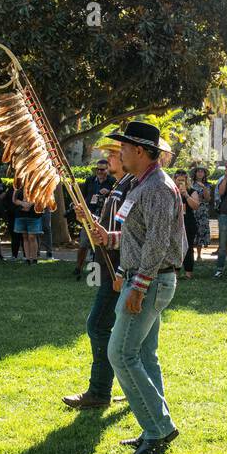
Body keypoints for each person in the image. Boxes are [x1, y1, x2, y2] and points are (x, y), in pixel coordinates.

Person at [96, 122, 185, 454]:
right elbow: (141, 237)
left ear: (141, 151)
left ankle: (159, 428)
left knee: (120, 353)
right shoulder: (141, 184)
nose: (118, 153)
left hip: (150, 281)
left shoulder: (157, 188)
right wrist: (111, 239)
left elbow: (159, 242)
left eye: (124, 147)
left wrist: (138, 284)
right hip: (145, 277)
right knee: (144, 355)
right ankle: (153, 427)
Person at [64, 138, 132, 410]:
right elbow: (105, 230)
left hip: (117, 269)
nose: (109, 159)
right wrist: (88, 219)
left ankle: (100, 392)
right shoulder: (120, 186)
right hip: (110, 267)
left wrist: (119, 270)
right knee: (133, 338)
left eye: (114, 154)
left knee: (98, 326)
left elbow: (128, 234)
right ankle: (128, 389)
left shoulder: (130, 187)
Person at [76, 159, 114, 279]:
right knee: (83, 243)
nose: (99, 171)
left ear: (107, 169)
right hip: (89, 216)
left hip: (103, 217)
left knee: (99, 246)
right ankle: (78, 268)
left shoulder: (112, 181)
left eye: (102, 169)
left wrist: (108, 192)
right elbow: (83, 197)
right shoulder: (90, 180)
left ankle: (96, 272)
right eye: (97, 169)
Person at [174, 170, 200, 278]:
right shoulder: (171, 191)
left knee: (188, 248)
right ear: (174, 179)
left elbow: (196, 206)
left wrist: (186, 195)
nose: (180, 181)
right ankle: (175, 272)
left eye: (182, 180)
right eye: (178, 179)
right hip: (174, 223)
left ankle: (188, 272)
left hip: (188, 223)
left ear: (186, 180)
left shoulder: (192, 191)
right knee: (175, 248)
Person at [11, 179, 42, 263]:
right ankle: (27, 258)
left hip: (33, 215)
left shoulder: (36, 184)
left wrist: (30, 204)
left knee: (32, 236)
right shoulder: (18, 185)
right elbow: (14, 199)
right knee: (24, 236)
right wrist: (22, 203)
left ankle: (34, 258)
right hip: (21, 215)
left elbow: (39, 197)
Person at [189, 166, 213, 262]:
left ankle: (199, 255)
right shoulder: (190, 184)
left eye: (202, 172)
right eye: (198, 171)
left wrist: (203, 187)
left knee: (200, 233)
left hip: (202, 212)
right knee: (191, 233)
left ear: (204, 174)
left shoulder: (207, 185)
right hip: (192, 211)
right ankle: (190, 255)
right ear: (195, 173)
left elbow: (208, 199)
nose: (200, 173)